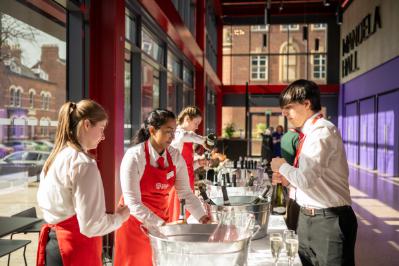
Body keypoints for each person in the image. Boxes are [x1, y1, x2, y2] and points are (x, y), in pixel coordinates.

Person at [271, 79, 357, 266]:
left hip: (329, 221)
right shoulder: (308, 134)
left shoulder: (322, 131)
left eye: (289, 107)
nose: (284, 113)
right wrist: (288, 181)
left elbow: (306, 179)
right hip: (307, 218)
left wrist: (281, 166)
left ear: (307, 103)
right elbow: (311, 178)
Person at [36, 100, 130, 266]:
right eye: (101, 128)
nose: (103, 136)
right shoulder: (83, 163)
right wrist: (120, 217)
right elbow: (91, 226)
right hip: (74, 248)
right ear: (87, 124)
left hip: (54, 245)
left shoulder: (55, 157)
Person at [114, 108, 211, 266]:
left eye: (174, 132)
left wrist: (203, 217)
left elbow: (185, 193)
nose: (173, 137)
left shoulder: (174, 156)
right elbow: (133, 203)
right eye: (168, 132)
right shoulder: (134, 157)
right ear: (152, 130)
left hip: (161, 223)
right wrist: (163, 226)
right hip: (134, 226)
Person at [168, 106, 209, 221]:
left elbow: (187, 165)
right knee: (178, 215)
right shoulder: (179, 134)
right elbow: (186, 136)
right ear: (187, 119)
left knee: (187, 213)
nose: (196, 127)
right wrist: (203, 140)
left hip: (188, 180)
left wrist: (198, 163)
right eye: (195, 123)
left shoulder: (188, 138)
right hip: (179, 182)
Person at [280, 129, 300, 231]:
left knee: (290, 199)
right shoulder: (297, 137)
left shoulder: (285, 136)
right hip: (293, 174)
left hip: (286, 172)